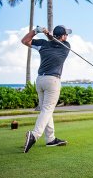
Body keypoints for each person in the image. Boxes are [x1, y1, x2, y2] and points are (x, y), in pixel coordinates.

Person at [21, 25, 72, 153]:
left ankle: (50, 139)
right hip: (53, 81)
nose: (68, 37)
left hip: (40, 81)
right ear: (63, 36)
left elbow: (24, 41)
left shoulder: (43, 44)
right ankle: (34, 135)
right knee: (47, 110)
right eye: (67, 34)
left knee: (46, 110)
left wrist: (36, 31)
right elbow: (54, 41)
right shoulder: (65, 46)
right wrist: (47, 34)